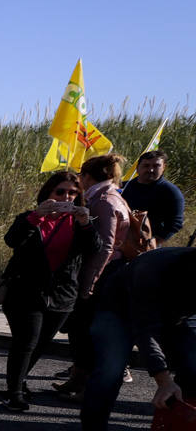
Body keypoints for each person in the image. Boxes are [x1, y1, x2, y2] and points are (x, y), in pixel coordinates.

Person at [73, 247, 196, 431]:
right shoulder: (153, 271)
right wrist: (165, 381)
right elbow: (145, 330)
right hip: (118, 307)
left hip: (172, 314)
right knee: (109, 371)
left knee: (193, 365)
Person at [0, 172, 99, 411]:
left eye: (73, 193)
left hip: (62, 294)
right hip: (25, 292)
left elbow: (93, 248)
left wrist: (86, 224)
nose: (67, 197)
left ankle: (20, 379)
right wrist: (36, 217)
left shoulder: (78, 222)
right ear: (48, 194)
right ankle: (15, 392)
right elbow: (12, 240)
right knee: (26, 341)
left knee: (41, 342)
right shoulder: (31, 218)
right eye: (60, 192)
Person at [54, 155, 136, 397]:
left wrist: (90, 282)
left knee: (84, 329)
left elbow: (106, 247)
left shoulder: (103, 201)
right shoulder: (111, 195)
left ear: (87, 176)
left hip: (104, 273)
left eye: (81, 175)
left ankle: (85, 384)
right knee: (82, 328)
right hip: (108, 272)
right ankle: (78, 380)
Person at [120, 150, 184, 243]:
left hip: (144, 246)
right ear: (137, 167)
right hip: (117, 242)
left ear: (163, 167)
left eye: (156, 166)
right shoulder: (123, 187)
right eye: (146, 166)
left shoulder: (171, 192)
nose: (151, 170)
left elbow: (175, 223)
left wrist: (152, 243)